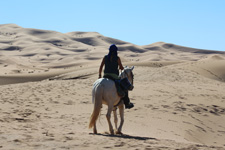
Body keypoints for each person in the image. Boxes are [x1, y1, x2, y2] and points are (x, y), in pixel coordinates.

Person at [99, 44, 134, 109]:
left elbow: (101, 66)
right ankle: (127, 103)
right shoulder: (117, 58)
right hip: (114, 76)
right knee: (125, 87)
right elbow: (121, 67)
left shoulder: (105, 57)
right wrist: (121, 67)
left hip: (105, 75)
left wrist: (99, 75)